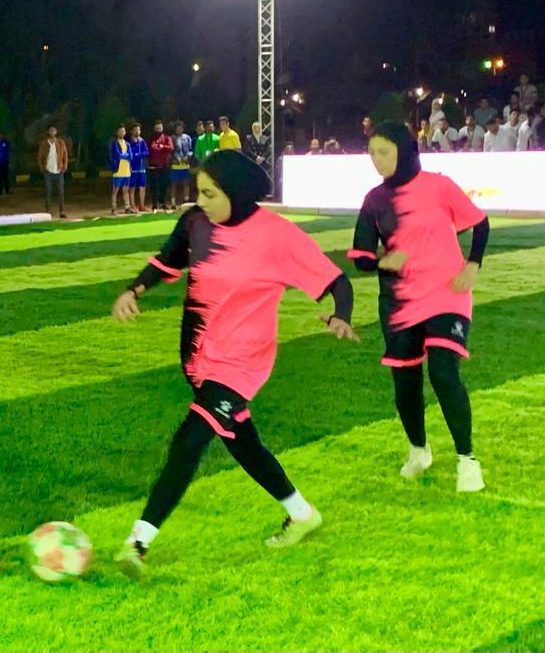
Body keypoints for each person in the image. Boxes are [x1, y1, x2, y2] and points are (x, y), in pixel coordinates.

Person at [111, 151, 358, 579]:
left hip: (243, 362)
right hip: (200, 358)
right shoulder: (195, 223)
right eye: (199, 192)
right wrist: (134, 290)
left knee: (189, 440)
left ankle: (138, 542)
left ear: (236, 193)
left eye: (210, 193)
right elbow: (167, 261)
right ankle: (302, 514)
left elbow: (336, 280)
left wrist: (342, 315)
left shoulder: (277, 236)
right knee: (244, 444)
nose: (200, 201)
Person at [350, 122, 489, 493]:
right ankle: (418, 450)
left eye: (384, 152)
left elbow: (480, 224)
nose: (376, 160)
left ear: (405, 151)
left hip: (447, 292)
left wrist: (472, 266)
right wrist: (382, 261)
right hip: (399, 303)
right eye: (372, 153)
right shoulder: (374, 200)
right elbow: (361, 257)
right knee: (405, 381)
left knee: (444, 374)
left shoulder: (439, 186)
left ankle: (467, 460)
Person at [37, 124, 68, 218]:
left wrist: (64, 167)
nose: (52, 132)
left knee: (61, 192)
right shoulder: (44, 143)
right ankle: (47, 212)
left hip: (59, 171)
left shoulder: (61, 142)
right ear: (48, 132)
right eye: (50, 130)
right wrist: (42, 169)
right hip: (48, 172)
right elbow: (40, 157)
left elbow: (65, 156)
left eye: (54, 130)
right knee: (48, 192)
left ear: (56, 131)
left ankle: (61, 211)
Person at [147, 120, 173, 213]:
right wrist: (160, 148)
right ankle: (154, 204)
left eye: (160, 127)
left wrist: (163, 146)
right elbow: (152, 148)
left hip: (165, 165)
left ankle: (163, 203)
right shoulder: (151, 138)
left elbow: (171, 148)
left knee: (164, 185)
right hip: (154, 166)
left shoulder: (167, 137)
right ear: (154, 128)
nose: (159, 129)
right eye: (157, 128)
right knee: (154, 186)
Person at [109, 124, 133, 215]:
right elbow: (117, 155)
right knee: (115, 189)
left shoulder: (127, 144)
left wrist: (125, 156)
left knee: (126, 189)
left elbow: (131, 156)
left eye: (123, 131)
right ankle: (113, 207)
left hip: (126, 169)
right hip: (118, 169)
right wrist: (126, 155)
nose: (122, 133)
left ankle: (127, 207)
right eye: (120, 131)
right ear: (117, 132)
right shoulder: (114, 143)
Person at [170, 121, 193, 205]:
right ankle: (173, 202)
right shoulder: (172, 138)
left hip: (185, 165)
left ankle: (186, 200)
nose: (179, 130)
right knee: (174, 184)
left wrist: (188, 156)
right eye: (177, 129)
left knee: (186, 183)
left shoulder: (187, 138)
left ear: (183, 129)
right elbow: (170, 151)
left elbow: (191, 150)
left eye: (180, 128)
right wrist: (174, 159)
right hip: (175, 165)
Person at [129, 123, 150, 212]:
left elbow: (147, 152)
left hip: (142, 168)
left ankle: (142, 205)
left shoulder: (142, 141)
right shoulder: (129, 142)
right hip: (133, 168)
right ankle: (132, 205)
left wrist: (140, 154)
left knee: (142, 186)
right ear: (132, 131)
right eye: (135, 130)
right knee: (132, 187)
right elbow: (131, 153)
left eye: (139, 130)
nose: (137, 132)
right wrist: (137, 154)